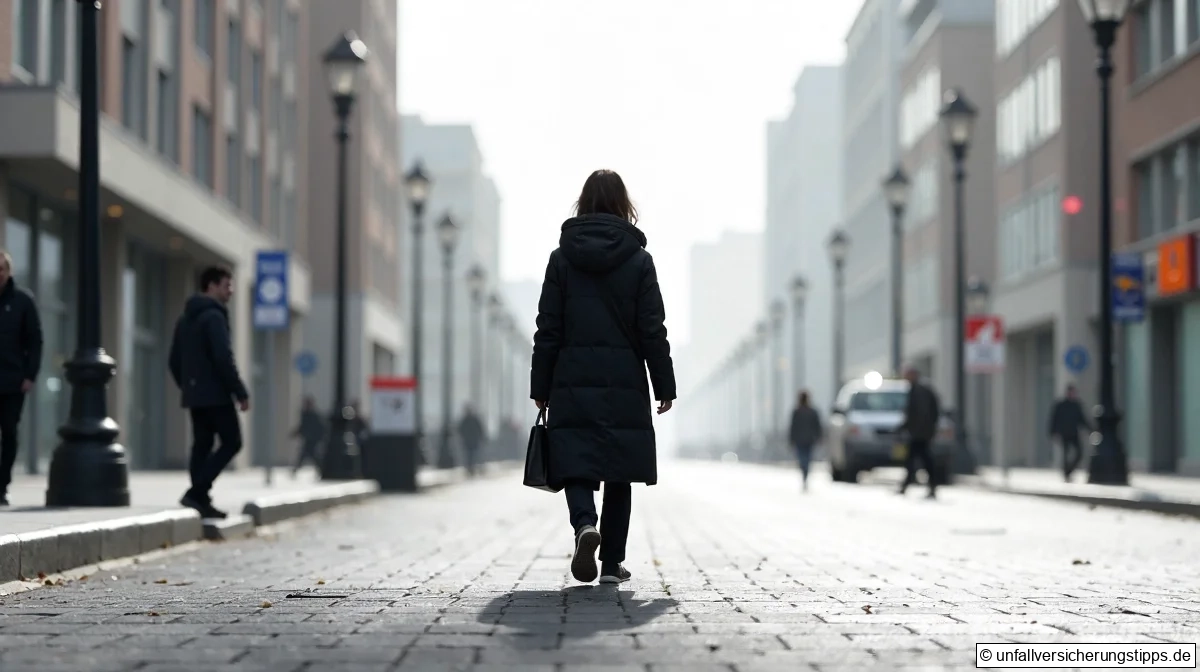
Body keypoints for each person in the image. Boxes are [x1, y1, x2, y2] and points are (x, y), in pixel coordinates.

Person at [531, 169, 677, 585]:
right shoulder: (639, 261)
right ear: (623, 206)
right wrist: (664, 385)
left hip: (571, 377)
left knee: (575, 460)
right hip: (624, 380)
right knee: (618, 467)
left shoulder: (561, 260)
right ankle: (612, 563)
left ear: (583, 204)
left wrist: (539, 387)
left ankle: (583, 526)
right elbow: (653, 329)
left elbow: (548, 328)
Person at [169, 266, 250, 519]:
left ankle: (200, 500)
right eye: (227, 285)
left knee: (202, 444)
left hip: (196, 395)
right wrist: (239, 391)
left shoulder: (186, 318)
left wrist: (190, 387)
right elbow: (223, 357)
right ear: (211, 286)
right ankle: (197, 491)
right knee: (232, 441)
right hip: (216, 394)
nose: (231, 291)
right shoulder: (214, 317)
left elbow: (173, 360)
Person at [0, 250, 42, 506]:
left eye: (1, 270)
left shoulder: (23, 301)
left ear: (8, 272)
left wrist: (30, 375)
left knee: (9, 433)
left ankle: (2, 485)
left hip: (12, 381)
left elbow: (35, 341)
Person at [897, 367, 940, 499]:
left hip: (920, 433)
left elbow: (923, 413)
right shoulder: (917, 389)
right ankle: (907, 486)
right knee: (916, 460)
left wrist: (916, 429)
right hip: (920, 432)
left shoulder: (920, 390)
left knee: (920, 461)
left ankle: (926, 487)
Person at [1049, 384, 1093, 482]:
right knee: (1065, 454)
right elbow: (1054, 419)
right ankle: (1066, 473)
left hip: (1074, 433)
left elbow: (1082, 419)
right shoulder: (1060, 405)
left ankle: (1069, 470)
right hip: (1064, 433)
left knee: (1079, 453)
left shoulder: (1076, 405)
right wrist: (1053, 432)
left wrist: (1091, 429)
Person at [788, 390, 822, 492]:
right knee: (805, 459)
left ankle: (805, 474)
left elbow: (816, 426)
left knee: (804, 459)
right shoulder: (806, 412)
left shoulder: (799, 412)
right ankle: (805, 474)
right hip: (807, 440)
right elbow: (793, 427)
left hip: (803, 440)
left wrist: (791, 439)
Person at [291, 396, 326, 478]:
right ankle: (295, 471)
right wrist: (296, 433)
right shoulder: (305, 414)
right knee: (304, 456)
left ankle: (321, 471)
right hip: (308, 440)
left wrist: (319, 438)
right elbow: (302, 426)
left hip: (313, 440)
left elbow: (321, 428)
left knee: (314, 457)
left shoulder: (315, 415)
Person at [458, 404, 486, 477]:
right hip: (470, 441)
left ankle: (473, 468)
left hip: (472, 441)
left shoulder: (471, 419)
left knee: (473, 455)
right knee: (470, 455)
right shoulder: (467, 420)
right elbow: (461, 430)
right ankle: (471, 468)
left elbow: (480, 429)